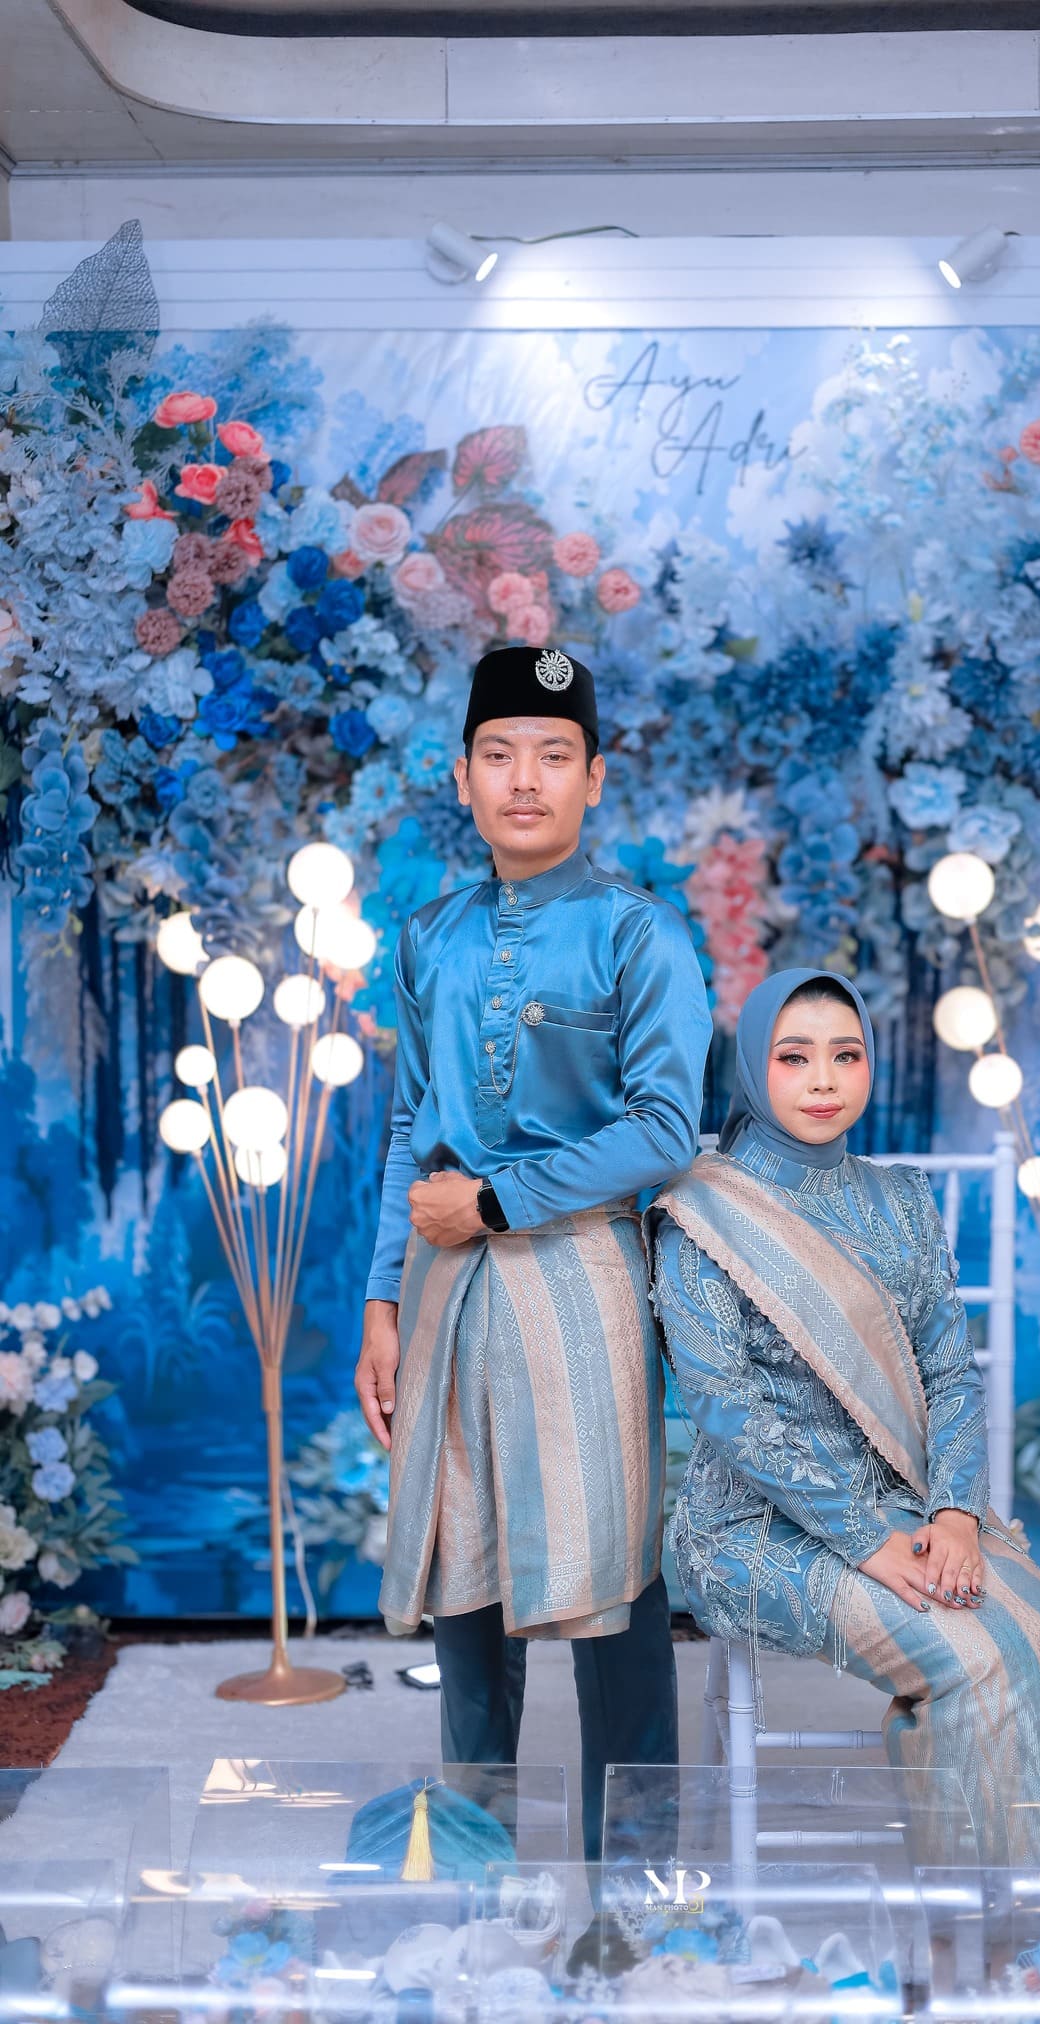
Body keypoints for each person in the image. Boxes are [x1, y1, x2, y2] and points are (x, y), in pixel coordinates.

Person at [356, 643, 713, 1872]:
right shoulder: (429, 937)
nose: (524, 779)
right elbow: (408, 1125)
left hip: (580, 1285)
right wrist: (381, 1300)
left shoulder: (637, 933)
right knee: (465, 1582)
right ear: (461, 776)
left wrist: (499, 1199)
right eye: (499, 754)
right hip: (443, 1288)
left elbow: (665, 1129)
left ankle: (641, 1880)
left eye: (552, 755)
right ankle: (475, 1861)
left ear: (593, 777)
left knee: (609, 1584)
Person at [648, 967, 1040, 1867]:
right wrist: (868, 1538)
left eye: (846, 1055)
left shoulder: (899, 1200)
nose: (823, 1081)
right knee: (971, 1658)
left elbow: (949, 1373)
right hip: (752, 1529)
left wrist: (955, 1514)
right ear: (751, 1068)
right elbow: (727, 1412)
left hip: (911, 1507)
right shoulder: (702, 1215)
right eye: (793, 1058)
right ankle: (985, 1914)